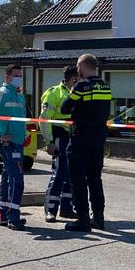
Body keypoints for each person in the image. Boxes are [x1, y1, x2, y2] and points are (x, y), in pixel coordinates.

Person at [62, 54, 113, 232]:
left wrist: (76, 102)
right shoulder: (105, 86)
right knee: (95, 179)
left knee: (78, 180)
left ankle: (83, 219)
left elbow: (64, 107)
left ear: (83, 66)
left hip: (80, 138)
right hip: (98, 139)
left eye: (78, 66)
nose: (77, 69)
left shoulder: (81, 86)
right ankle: (98, 218)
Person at [0, 64, 28, 230]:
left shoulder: (19, 96)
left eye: (20, 75)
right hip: (8, 144)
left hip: (17, 142)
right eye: (16, 75)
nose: (19, 78)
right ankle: (13, 217)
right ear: (8, 76)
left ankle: (5, 214)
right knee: (17, 180)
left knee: (7, 177)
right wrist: (0, 134)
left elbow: (19, 118)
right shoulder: (2, 93)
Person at [39, 67, 80, 223]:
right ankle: (51, 209)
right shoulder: (54, 93)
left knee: (71, 174)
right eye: (77, 79)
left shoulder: (76, 93)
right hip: (59, 138)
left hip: (72, 138)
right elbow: (44, 118)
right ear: (73, 79)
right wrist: (49, 142)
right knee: (59, 173)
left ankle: (67, 208)